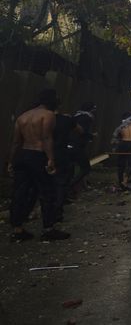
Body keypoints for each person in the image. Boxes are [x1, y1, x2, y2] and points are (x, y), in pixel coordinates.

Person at [8, 89, 70, 242]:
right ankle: (48, 228)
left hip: (23, 155)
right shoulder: (48, 115)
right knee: (47, 192)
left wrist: (11, 161)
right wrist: (50, 159)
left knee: (20, 193)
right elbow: (47, 137)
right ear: (52, 100)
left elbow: (16, 142)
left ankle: (17, 229)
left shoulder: (23, 117)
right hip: (38, 155)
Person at [66, 101, 96, 194]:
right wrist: (91, 136)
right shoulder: (87, 118)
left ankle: (67, 189)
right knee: (86, 168)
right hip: (77, 146)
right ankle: (69, 186)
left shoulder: (75, 116)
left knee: (70, 167)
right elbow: (82, 131)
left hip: (68, 144)